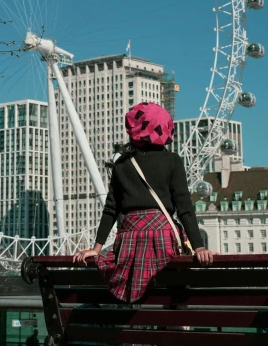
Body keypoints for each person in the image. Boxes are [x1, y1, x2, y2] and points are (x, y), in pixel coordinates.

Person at [73, 102, 214, 303]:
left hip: (129, 241)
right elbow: (184, 207)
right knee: (173, 283)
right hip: (162, 239)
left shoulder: (121, 164)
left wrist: (96, 249)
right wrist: (199, 246)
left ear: (134, 129)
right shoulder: (173, 161)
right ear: (166, 128)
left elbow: (111, 209)